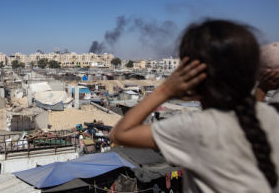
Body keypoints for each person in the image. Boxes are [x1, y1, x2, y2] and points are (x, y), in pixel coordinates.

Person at [110, 20, 279, 192]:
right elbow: (249, 120)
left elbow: (120, 134)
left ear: (190, 76)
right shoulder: (272, 116)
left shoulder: (193, 128)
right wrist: (262, 89)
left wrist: (166, 89)